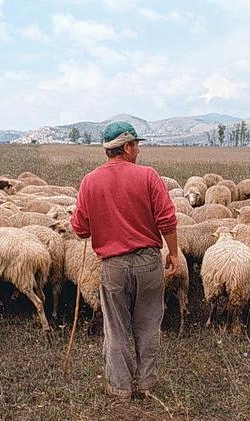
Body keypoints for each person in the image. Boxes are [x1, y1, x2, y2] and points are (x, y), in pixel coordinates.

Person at [70, 121, 179, 401]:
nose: (139, 150)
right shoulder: (148, 176)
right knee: (148, 324)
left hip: (113, 266)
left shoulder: (90, 181)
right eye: (137, 145)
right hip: (148, 263)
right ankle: (147, 383)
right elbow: (167, 219)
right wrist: (174, 253)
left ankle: (120, 388)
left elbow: (80, 228)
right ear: (127, 147)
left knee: (116, 327)